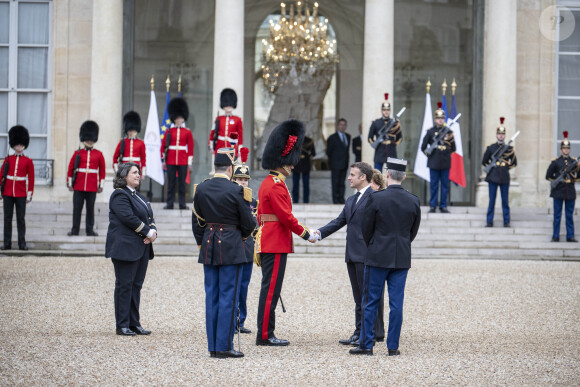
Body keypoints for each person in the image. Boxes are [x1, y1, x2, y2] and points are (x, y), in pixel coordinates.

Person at [351, 157, 421, 356]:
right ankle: (392, 346)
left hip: (377, 255)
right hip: (401, 257)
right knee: (396, 304)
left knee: (371, 301)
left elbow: (366, 228)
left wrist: (374, 244)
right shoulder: (413, 200)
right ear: (404, 177)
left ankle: (366, 345)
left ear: (387, 175)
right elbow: (412, 232)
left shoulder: (376, 197)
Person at [312, 162, 385, 347]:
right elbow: (339, 221)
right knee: (358, 297)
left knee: (366, 298)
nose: (349, 177)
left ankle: (366, 334)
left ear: (363, 177)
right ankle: (359, 331)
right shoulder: (351, 200)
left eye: (353, 175)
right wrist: (318, 234)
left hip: (367, 255)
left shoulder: (376, 197)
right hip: (351, 255)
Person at [192, 148, 256, 358]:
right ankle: (224, 346)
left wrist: (202, 243)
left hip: (209, 244)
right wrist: (242, 237)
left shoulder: (201, 189)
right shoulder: (237, 190)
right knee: (229, 296)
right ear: (230, 168)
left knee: (212, 297)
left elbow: (199, 222)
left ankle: (213, 346)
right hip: (231, 245)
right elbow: (248, 223)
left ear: (215, 167)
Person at [255, 119, 314, 347]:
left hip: (271, 239)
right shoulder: (275, 185)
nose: (292, 166)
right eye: (289, 163)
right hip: (275, 241)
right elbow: (286, 217)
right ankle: (265, 335)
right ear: (281, 162)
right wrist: (306, 233)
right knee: (271, 290)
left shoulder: (270, 182)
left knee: (270, 289)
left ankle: (266, 332)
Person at [105, 162, 157, 336]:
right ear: (124, 176)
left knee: (136, 286)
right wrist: (147, 231)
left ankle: (134, 322)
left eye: (139, 172)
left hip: (140, 248)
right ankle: (122, 324)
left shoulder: (138, 196)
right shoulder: (119, 195)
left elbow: (149, 216)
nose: (138, 175)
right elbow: (128, 217)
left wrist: (153, 231)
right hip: (125, 248)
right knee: (124, 286)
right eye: (134, 172)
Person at [67, 121, 106, 236]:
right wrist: (69, 183)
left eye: (91, 138)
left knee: (90, 209)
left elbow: (102, 171)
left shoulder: (99, 154)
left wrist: (101, 185)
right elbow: (70, 168)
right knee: (77, 209)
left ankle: (90, 230)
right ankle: (75, 230)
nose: (89, 140)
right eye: (88, 138)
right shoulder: (77, 153)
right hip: (79, 185)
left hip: (92, 186)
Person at [232, 164, 258, 334]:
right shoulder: (230, 198)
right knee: (232, 285)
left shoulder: (253, 202)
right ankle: (231, 320)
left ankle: (241, 321)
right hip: (233, 247)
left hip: (247, 247)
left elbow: (256, 225)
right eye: (239, 179)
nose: (243, 183)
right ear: (233, 180)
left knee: (243, 286)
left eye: (245, 180)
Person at [1, 125, 34, 251]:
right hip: (8, 192)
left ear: (24, 145)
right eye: (17, 144)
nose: (19, 146)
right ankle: (7, 243)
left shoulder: (28, 161)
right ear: (13, 145)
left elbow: (31, 179)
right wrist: (0, 191)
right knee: (7, 219)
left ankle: (22, 243)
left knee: (21, 219)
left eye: (21, 144)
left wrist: (29, 194)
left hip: (21, 193)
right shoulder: (8, 159)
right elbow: (1, 176)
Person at [482, 117, 517, 227]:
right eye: (499, 134)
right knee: (492, 201)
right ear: (496, 135)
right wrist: (492, 166)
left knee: (505, 201)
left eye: (503, 134)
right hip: (493, 177)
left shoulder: (509, 149)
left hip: (504, 177)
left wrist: (506, 167)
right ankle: (489, 221)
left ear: (505, 135)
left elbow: (514, 162)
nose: (501, 136)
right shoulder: (491, 148)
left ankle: (506, 221)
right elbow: (484, 161)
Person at [421, 102, 456, 213]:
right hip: (434, 162)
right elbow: (423, 147)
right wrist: (430, 154)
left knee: (445, 186)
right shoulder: (430, 132)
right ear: (435, 119)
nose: (440, 120)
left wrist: (445, 151)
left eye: (442, 118)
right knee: (434, 185)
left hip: (445, 162)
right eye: (438, 118)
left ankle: (443, 206)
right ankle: (432, 205)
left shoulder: (449, 132)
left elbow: (453, 148)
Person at [161, 97, 194, 210]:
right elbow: (163, 146)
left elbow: (190, 147)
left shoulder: (187, 132)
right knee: (170, 183)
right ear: (174, 119)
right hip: (170, 159)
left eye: (180, 118)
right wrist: (163, 160)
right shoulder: (169, 131)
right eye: (177, 118)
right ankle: (169, 203)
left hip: (183, 160)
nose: (179, 120)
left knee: (182, 184)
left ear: (183, 118)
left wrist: (189, 162)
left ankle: (182, 203)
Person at [546, 131, 579, 242]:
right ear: (561, 149)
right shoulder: (556, 162)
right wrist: (558, 179)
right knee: (557, 215)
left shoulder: (574, 162)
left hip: (569, 190)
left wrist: (573, 175)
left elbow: (578, 177)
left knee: (569, 216)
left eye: (567, 148)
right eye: (564, 148)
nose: (566, 150)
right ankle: (555, 236)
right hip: (558, 191)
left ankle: (570, 236)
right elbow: (548, 176)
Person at [209, 88, 248, 164]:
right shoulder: (219, 119)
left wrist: (240, 148)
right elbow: (213, 133)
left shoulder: (237, 119)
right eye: (226, 105)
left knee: (231, 169)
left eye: (230, 104)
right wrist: (211, 146)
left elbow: (240, 135)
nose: (228, 106)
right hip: (220, 146)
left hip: (232, 147)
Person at [368, 93, 402, 171]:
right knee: (377, 176)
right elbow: (370, 138)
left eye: (388, 110)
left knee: (392, 175)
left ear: (390, 111)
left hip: (391, 151)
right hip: (379, 152)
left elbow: (399, 137)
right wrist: (376, 143)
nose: (386, 112)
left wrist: (393, 144)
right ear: (381, 111)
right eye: (384, 110)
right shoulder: (376, 123)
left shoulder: (395, 123)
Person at [113, 111, 147, 177]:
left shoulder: (141, 143)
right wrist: (117, 171)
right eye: (130, 130)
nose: (131, 132)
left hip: (136, 169)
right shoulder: (123, 142)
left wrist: (143, 172)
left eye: (133, 130)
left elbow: (143, 159)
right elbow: (115, 157)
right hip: (124, 169)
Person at [326, 118, 351, 204]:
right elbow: (328, 152)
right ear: (337, 126)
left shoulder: (348, 136)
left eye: (344, 125)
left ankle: (341, 198)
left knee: (342, 183)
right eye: (341, 125)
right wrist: (332, 162)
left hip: (344, 164)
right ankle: (335, 200)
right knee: (335, 182)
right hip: (335, 164)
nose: (342, 127)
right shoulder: (332, 138)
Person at [292, 135, 315, 203]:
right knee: (295, 186)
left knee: (306, 186)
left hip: (305, 165)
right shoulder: (292, 140)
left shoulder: (309, 141)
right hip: (296, 165)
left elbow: (313, 153)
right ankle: (295, 202)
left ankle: (306, 202)